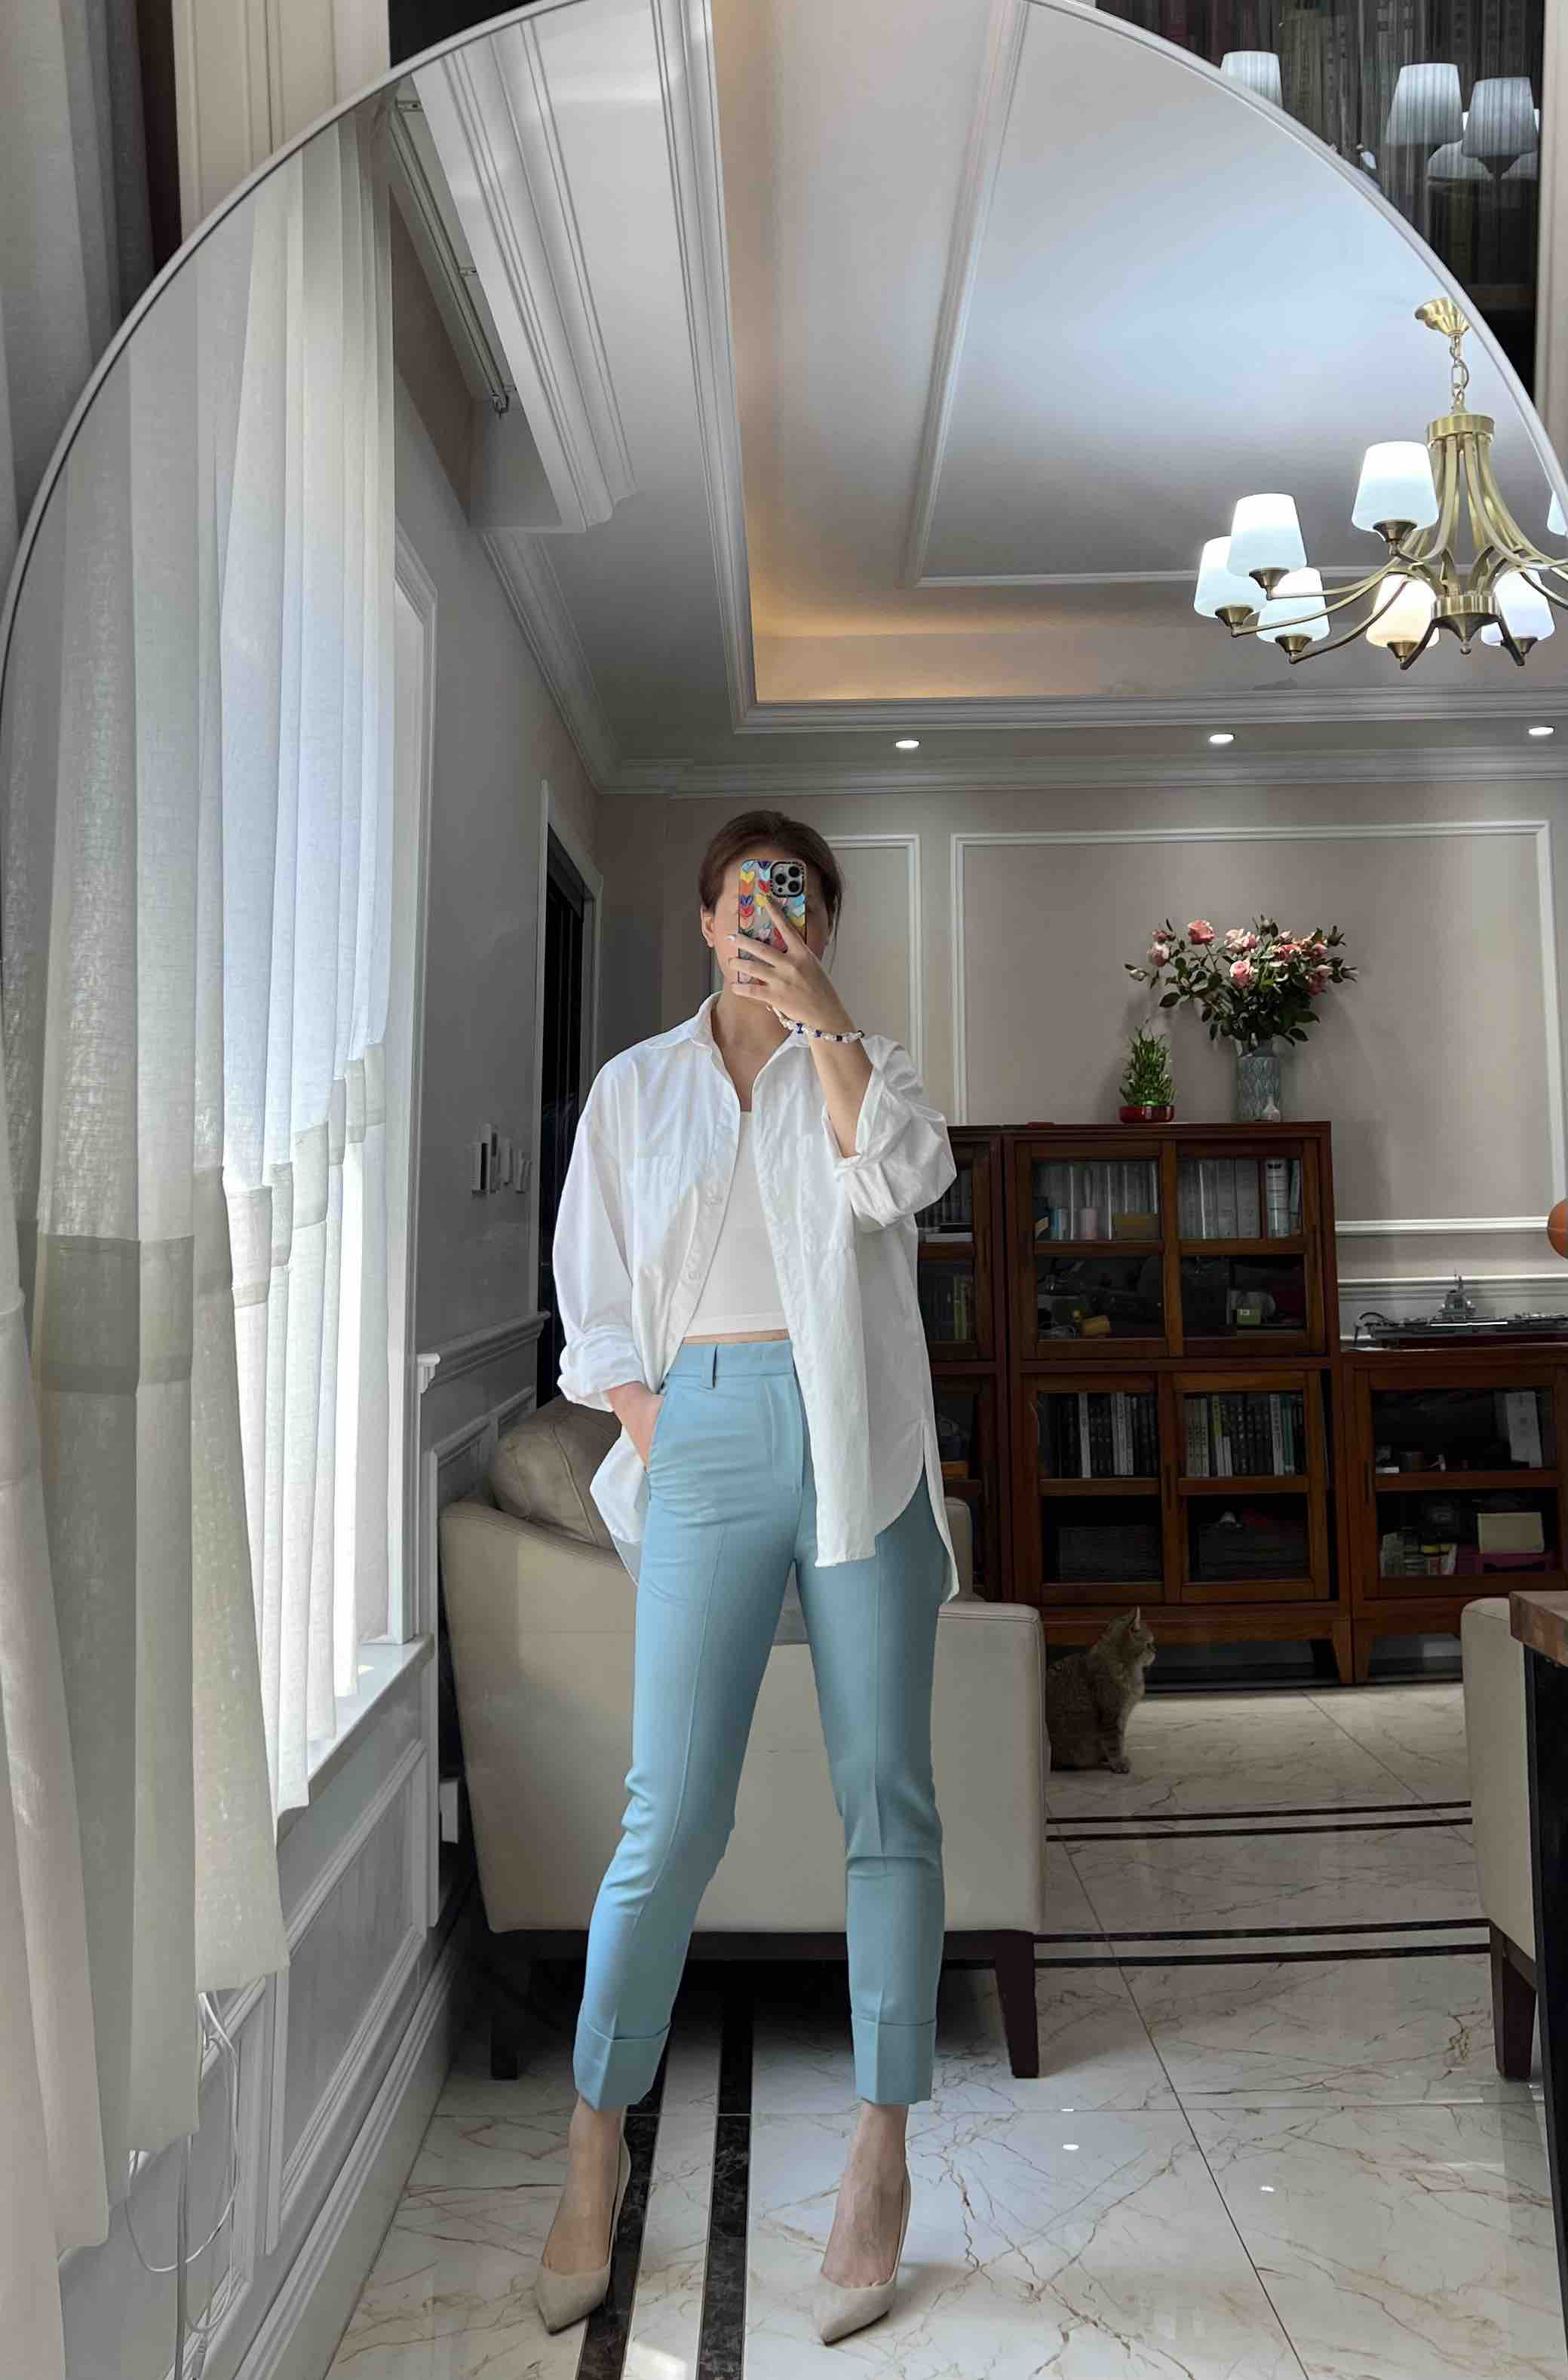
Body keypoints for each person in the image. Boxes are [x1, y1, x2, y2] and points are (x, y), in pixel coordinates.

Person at [538, 808, 961, 2345]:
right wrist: (660, 1424)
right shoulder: (635, 1086)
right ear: (707, 918)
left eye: (795, 902)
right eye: (742, 899)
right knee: (672, 1809)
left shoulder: (866, 1067)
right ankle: (594, 2143)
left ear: (822, 926)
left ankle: (879, 2157)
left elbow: (899, 1182)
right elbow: (592, 1289)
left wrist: (823, 1022)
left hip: (859, 1432)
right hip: (704, 1425)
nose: (764, 922)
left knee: (886, 1797)